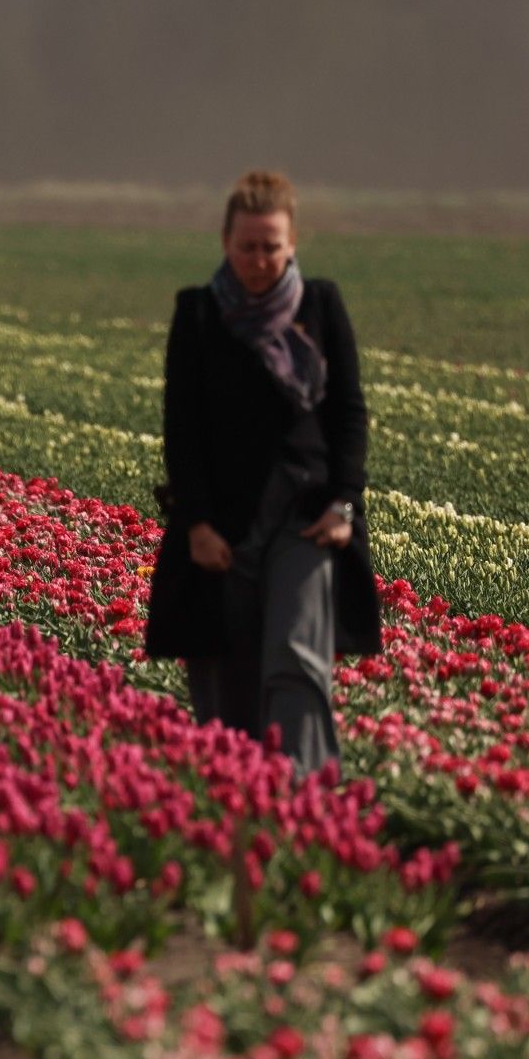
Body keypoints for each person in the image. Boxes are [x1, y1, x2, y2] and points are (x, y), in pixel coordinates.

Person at [145, 170, 380, 777]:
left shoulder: (320, 305)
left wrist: (344, 504)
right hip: (223, 519)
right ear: (226, 242)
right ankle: (238, 787)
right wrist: (197, 522)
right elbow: (183, 425)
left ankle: (303, 790)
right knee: (226, 661)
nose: (258, 260)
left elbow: (348, 412)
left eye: (271, 246)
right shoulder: (200, 313)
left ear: (292, 243)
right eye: (247, 246)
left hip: (307, 515)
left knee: (297, 655)